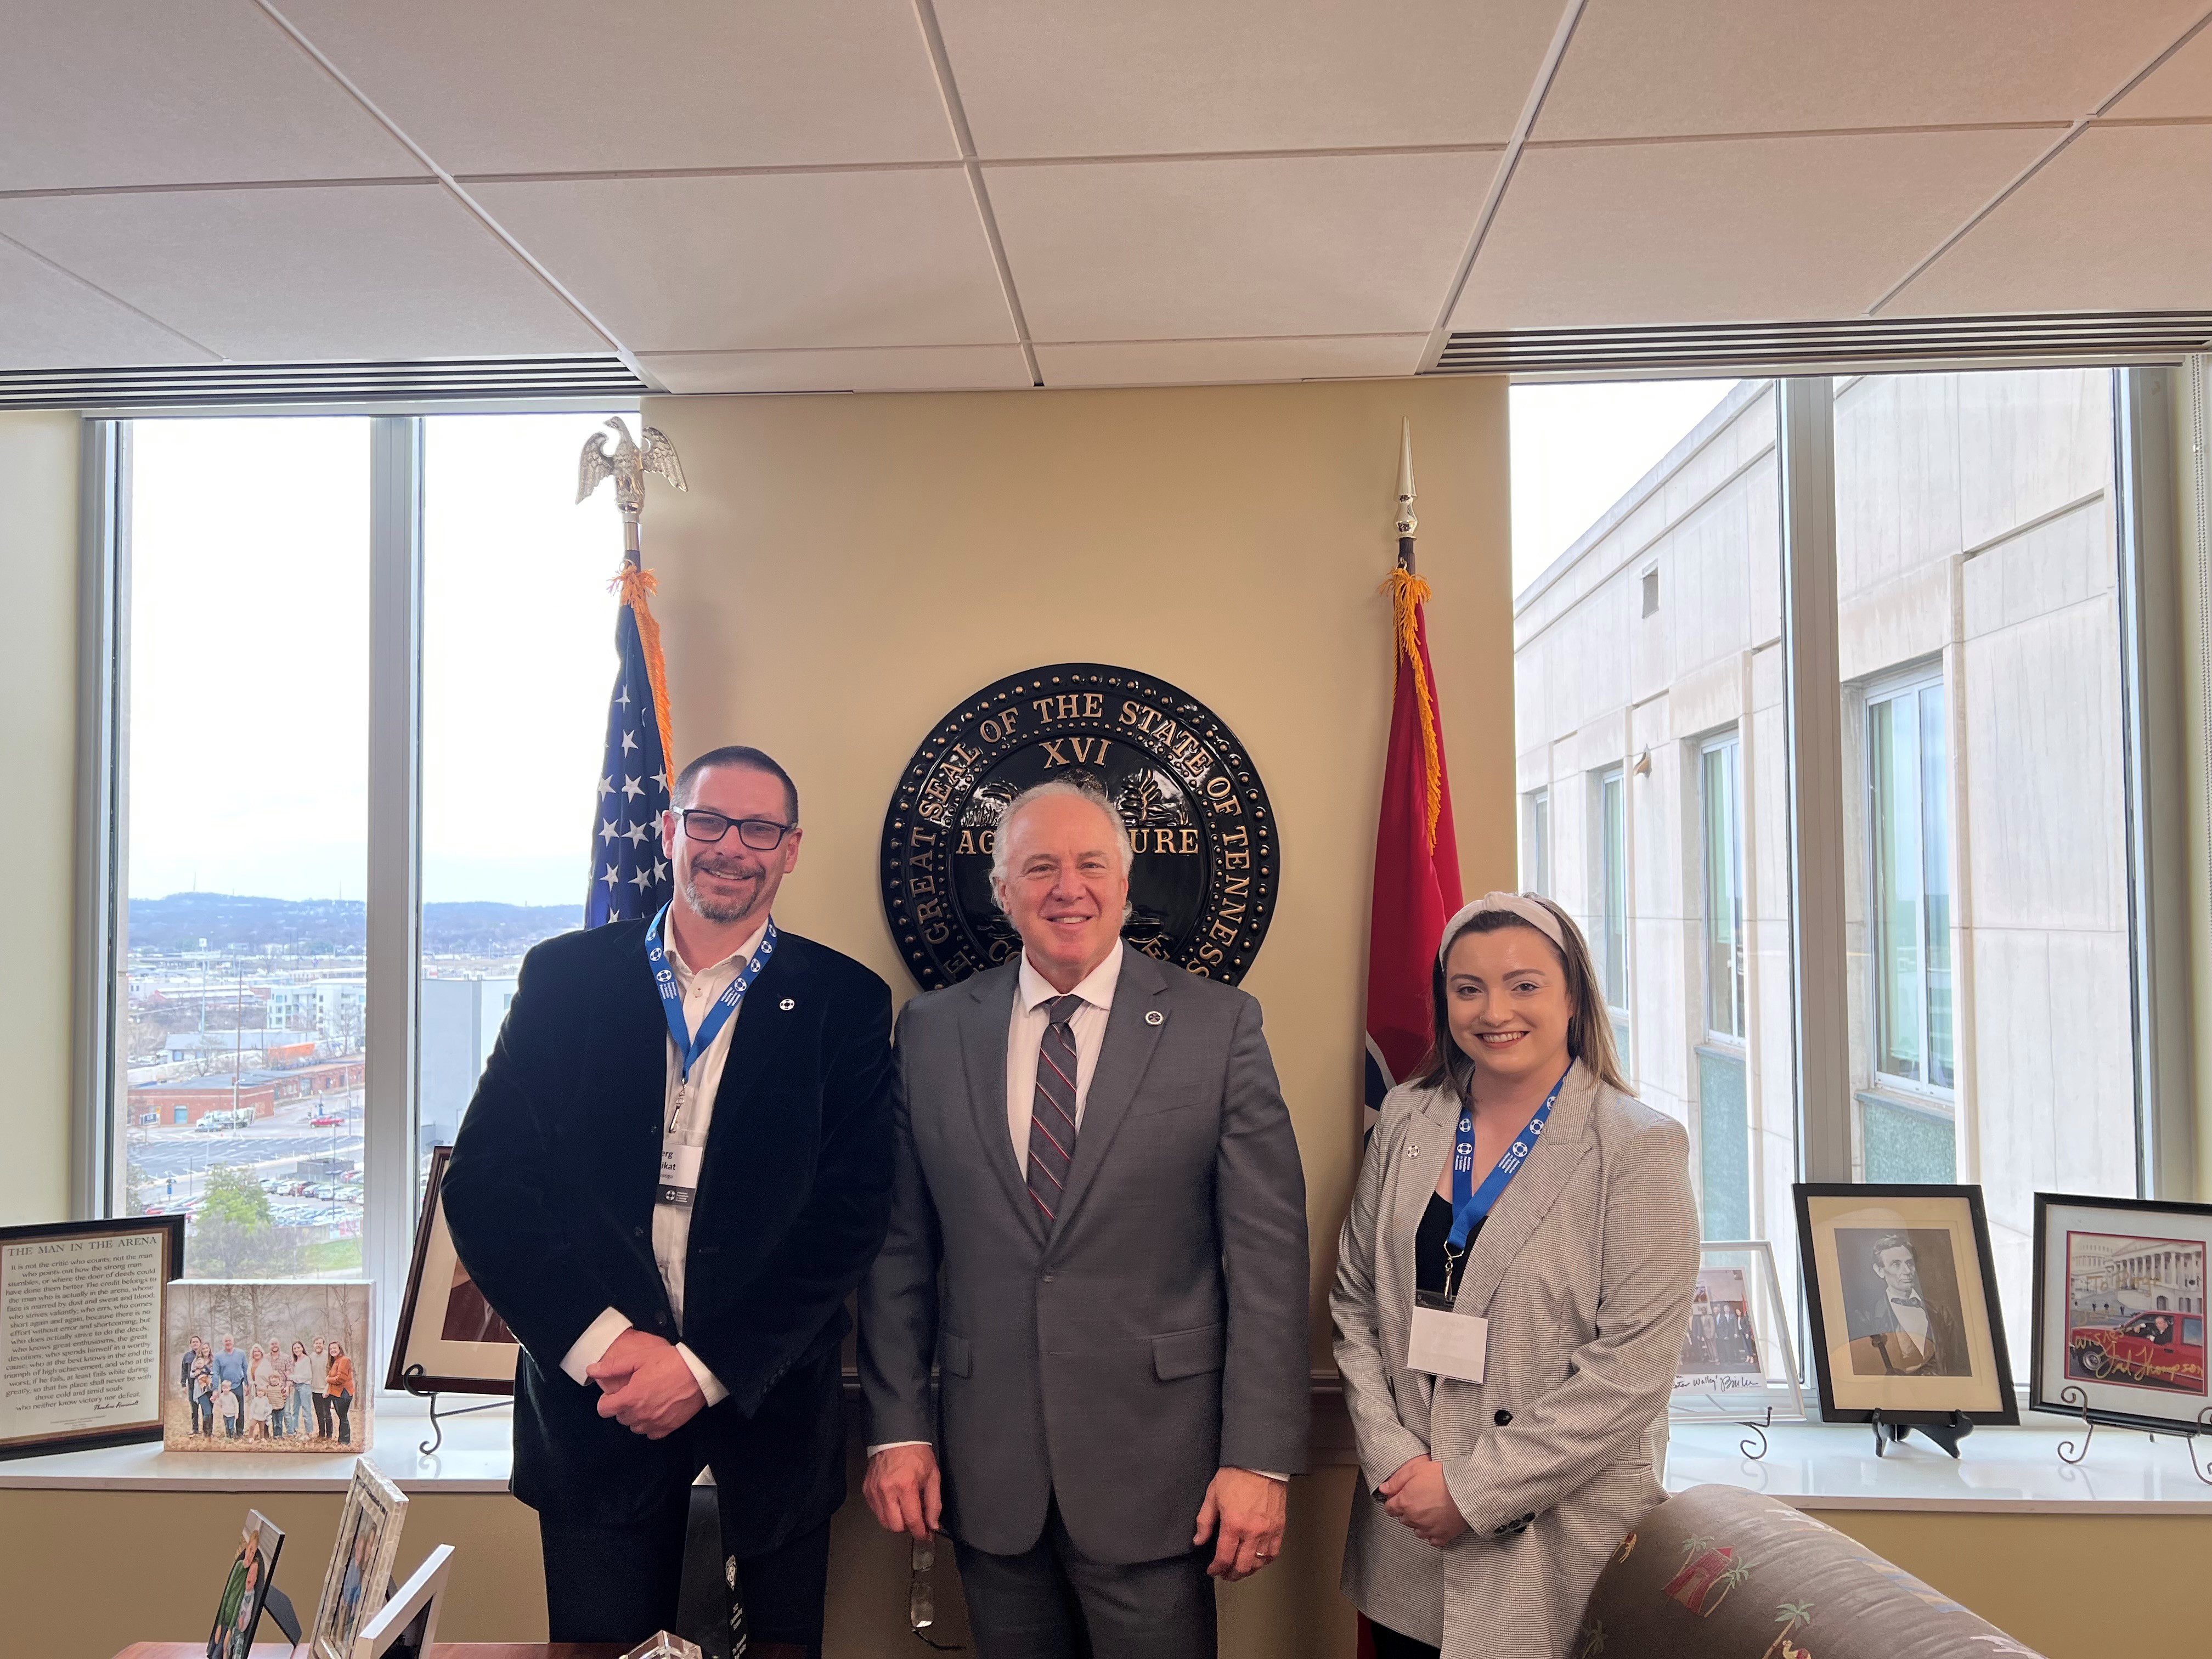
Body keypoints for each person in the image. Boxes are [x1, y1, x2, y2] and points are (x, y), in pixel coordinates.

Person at [444, 746, 896, 1659]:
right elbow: (486, 1187)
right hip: (598, 1413)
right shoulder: (564, 980)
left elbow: (848, 1214)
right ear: (669, 831)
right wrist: (610, 1347)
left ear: (791, 848)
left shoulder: (844, 1001)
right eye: (709, 821)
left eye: (759, 829)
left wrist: (703, 1368)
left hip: (769, 1418)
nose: (732, 847)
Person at [858, 780, 1310, 1659]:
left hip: (1164, 1475)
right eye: (1040, 868)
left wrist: (1259, 1458)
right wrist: (899, 1429)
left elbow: (1268, 1260)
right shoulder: (933, 1031)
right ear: (1002, 891)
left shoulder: (1219, 1027)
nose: (1069, 889)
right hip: (989, 1473)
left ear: (1126, 883)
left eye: (1091, 865)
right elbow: (898, 1252)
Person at [1331, 893, 1700, 1659]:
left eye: (1524, 985)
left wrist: (1471, 1493)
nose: (1494, 1011)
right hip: (1408, 1531)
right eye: (1468, 989)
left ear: (1573, 998)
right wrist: (1396, 1463)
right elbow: (1356, 1301)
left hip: (1552, 1544)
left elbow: (1630, 1374)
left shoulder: (1637, 1147)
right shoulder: (1405, 1116)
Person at [1846, 1233, 1967, 1376]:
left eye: (1910, 1263)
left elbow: (1958, 1365)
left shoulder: (1940, 1312)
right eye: (1896, 1264)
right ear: (1880, 1271)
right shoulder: (1868, 1318)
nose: (1907, 1272)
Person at [211, 1336, 249, 1437]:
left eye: (230, 1341)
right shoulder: (218, 1356)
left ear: (233, 1342)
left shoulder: (241, 1354)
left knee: (240, 1410)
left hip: (238, 1385)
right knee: (227, 1410)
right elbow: (216, 1373)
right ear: (223, 1343)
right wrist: (215, 1389)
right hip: (225, 1388)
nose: (228, 1343)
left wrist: (247, 1384)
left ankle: (240, 1432)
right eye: (226, 1341)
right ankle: (230, 1432)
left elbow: (246, 1369)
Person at [326, 1341, 355, 1444]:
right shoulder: (336, 1361)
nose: (332, 1350)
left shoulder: (344, 1360)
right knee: (342, 1417)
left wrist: (328, 1379)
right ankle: (342, 1440)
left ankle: (345, 1441)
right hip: (337, 1393)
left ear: (340, 1349)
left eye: (335, 1348)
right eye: (331, 1349)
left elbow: (340, 1379)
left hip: (344, 1393)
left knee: (343, 1417)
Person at [288, 1342, 313, 1439]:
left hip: (304, 1386)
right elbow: (295, 1374)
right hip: (297, 1387)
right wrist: (293, 1379)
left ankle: (308, 1432)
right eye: (295, 1348)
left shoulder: (306, 1359)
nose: (297, 1350)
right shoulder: (296, 1360)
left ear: (302, 1348)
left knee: (306, 1409)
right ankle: (294, 1429)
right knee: (295, 1409)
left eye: (298, 1348)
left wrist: (291, 1377)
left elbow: (306, 1376)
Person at [309, 1336, 332, 1440]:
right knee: (319, 1413)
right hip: (314, 1389)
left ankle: (329, 1435)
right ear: (314, 1345)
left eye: (320, 1343)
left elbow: (332, 1372)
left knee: (327, 1413)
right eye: (316, 1344)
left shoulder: (328, 1356)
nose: (318, 1345)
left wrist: (328, 1387)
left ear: (323, 1345)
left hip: (326, 1389)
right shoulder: (311, 1357)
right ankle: (322, 1433)